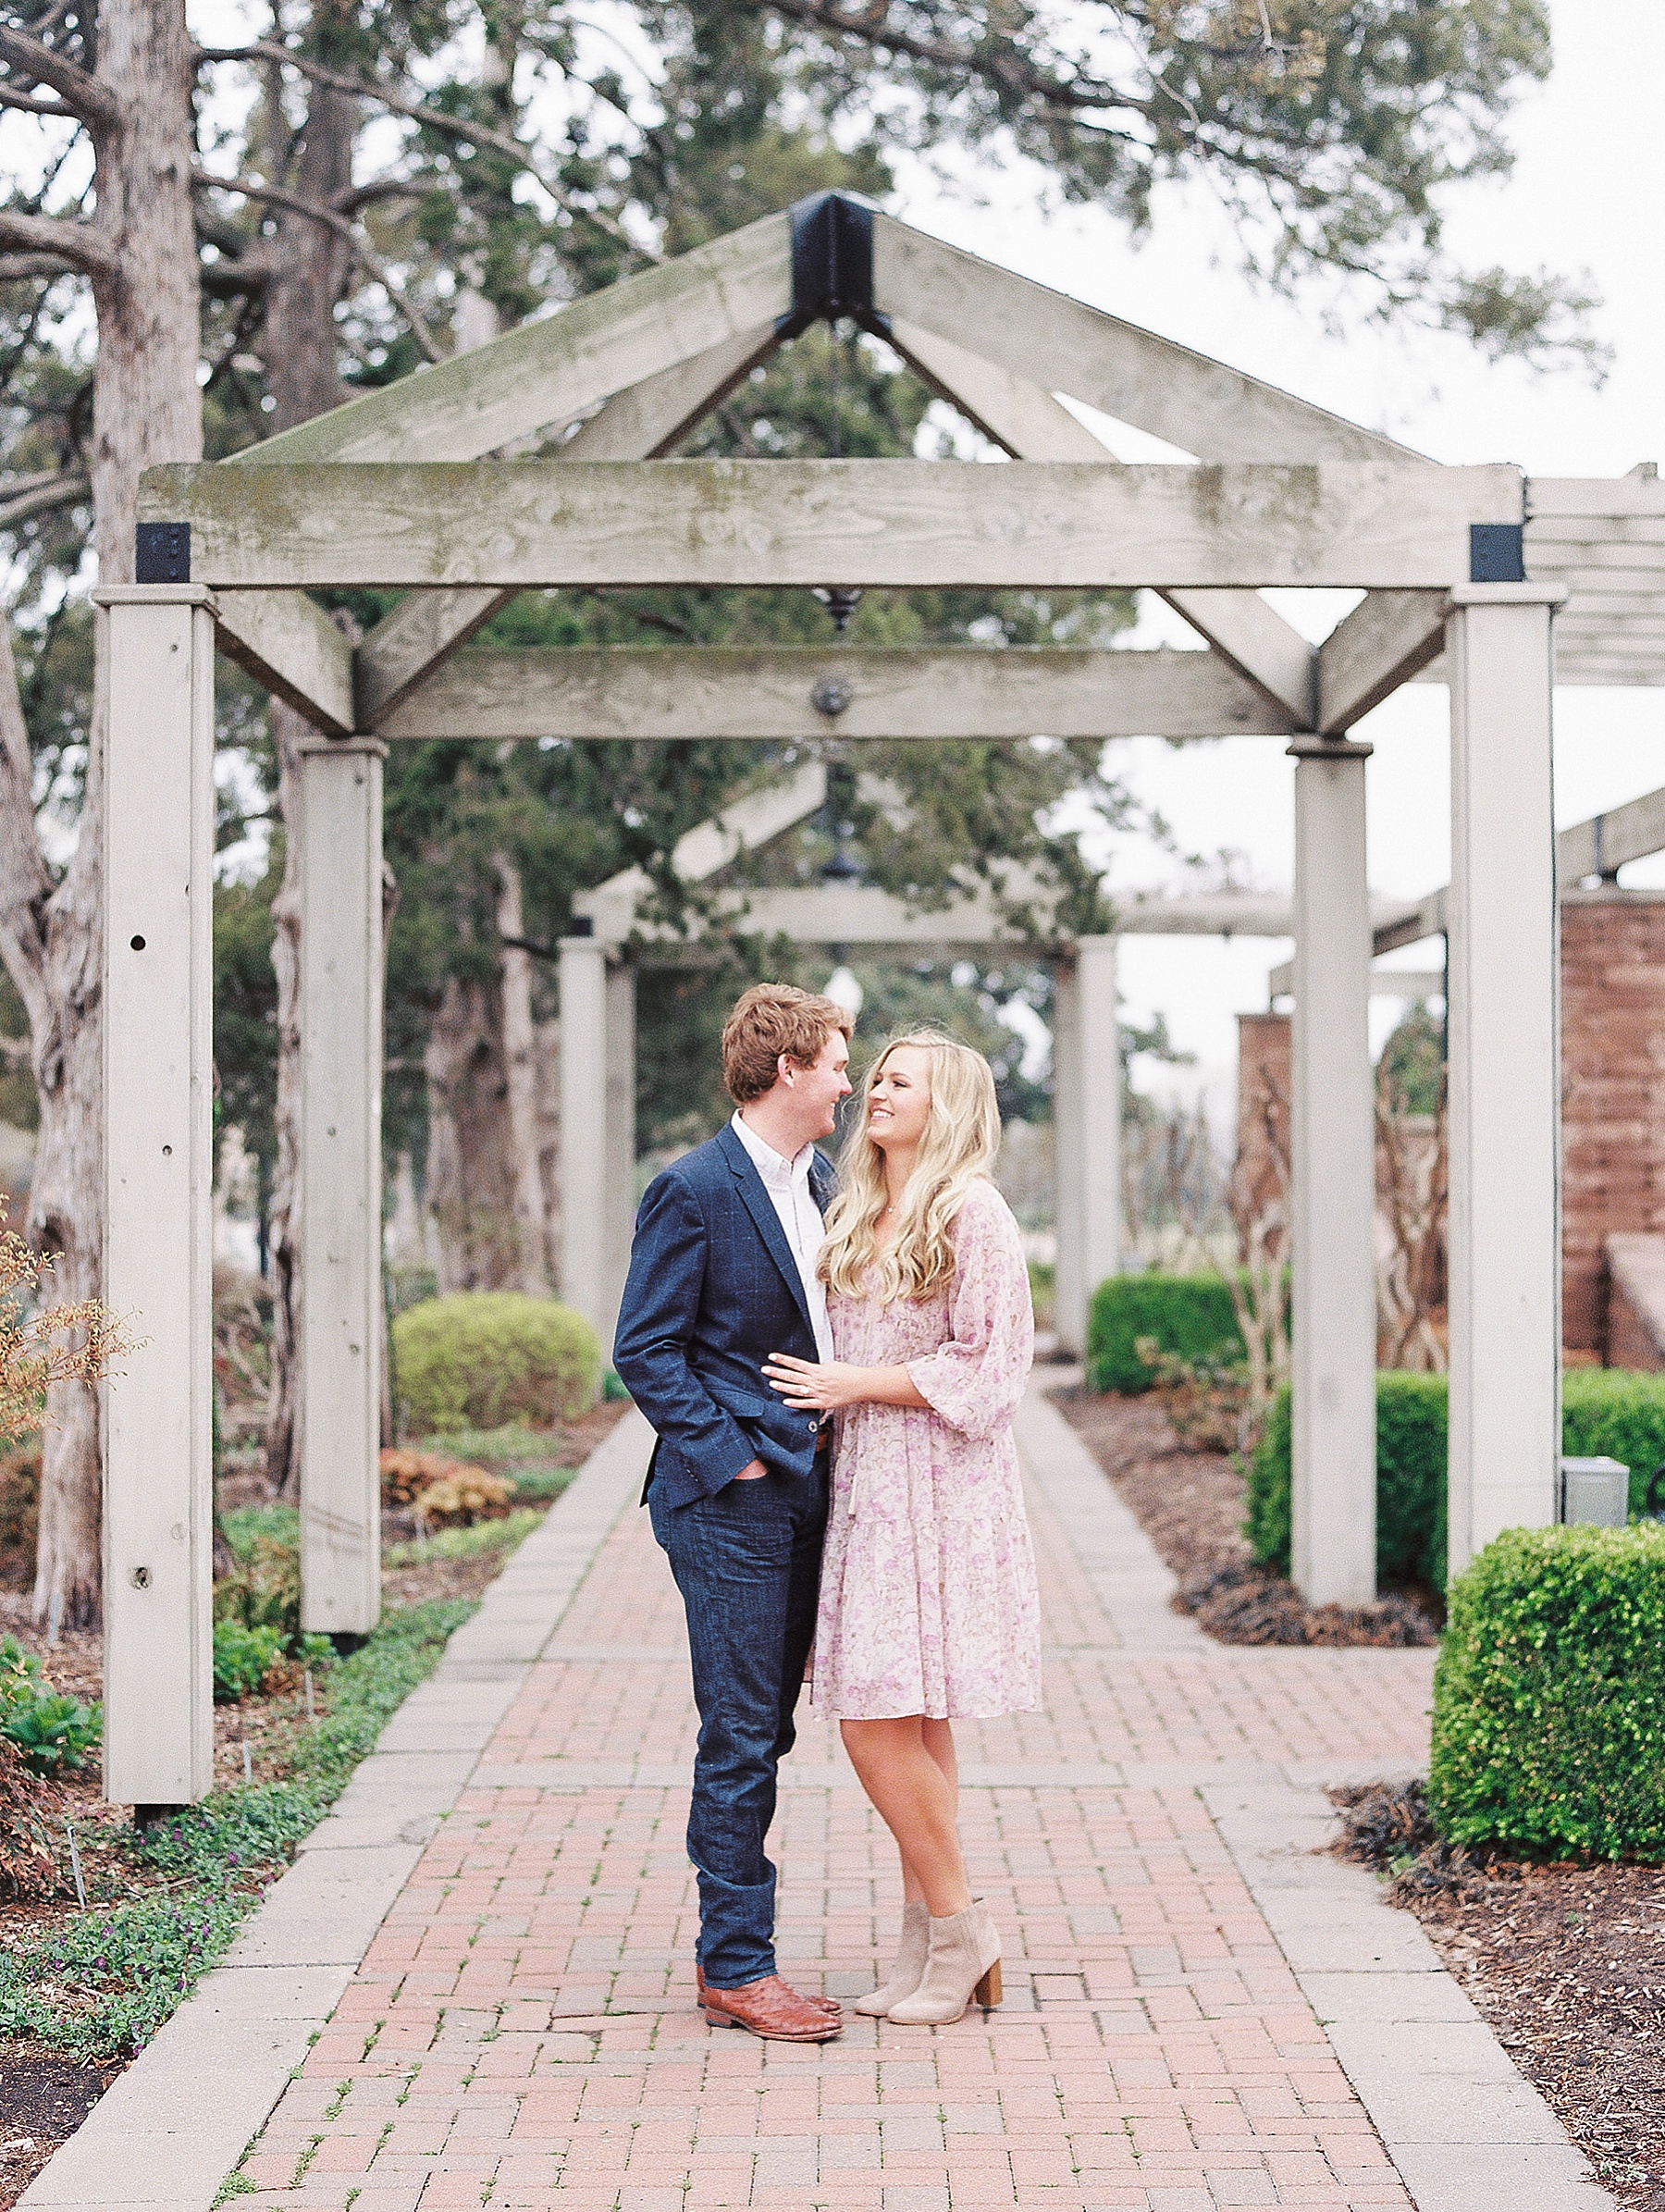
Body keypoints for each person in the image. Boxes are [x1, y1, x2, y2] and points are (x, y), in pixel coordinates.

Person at [764, 1031, 1040, 2026]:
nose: (874, 1091)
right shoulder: (861, 1208)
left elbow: (993, 1370)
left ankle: (964, 1929)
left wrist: (857, 1385)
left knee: (872, 1719)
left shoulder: (976, 1214)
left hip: (947, 1492)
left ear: (947, 1102)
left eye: (897, 1082)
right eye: (873, 1076)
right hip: (870, 1487)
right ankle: (929, 1947)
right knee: (914, 1721)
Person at [612, 982, 854, 2044]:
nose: (849, 1081)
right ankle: (736, 1967)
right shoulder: (694, 1188)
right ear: (788, 1068)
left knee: (770, 1723)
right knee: (743, 1732)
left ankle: (739, 1951)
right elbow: (645, 1349)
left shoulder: (827, 1183)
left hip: (814, 1494)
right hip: (731, 1504)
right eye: (838, 1063)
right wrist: (734, 1463)